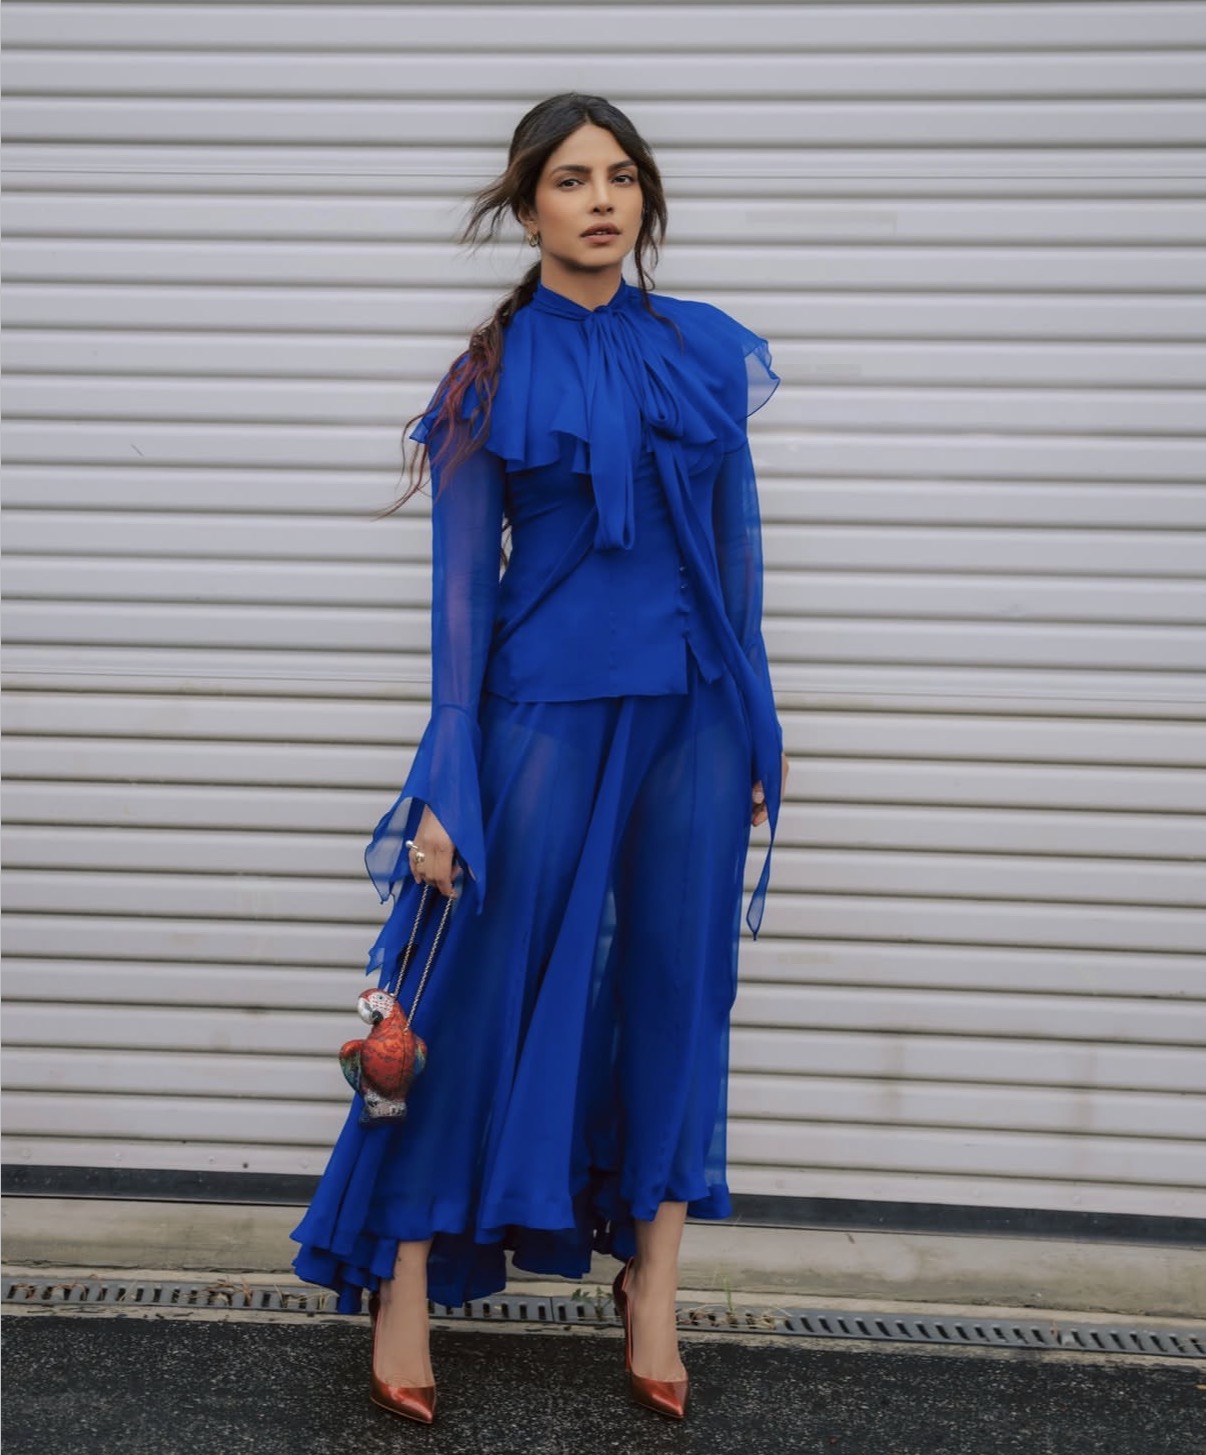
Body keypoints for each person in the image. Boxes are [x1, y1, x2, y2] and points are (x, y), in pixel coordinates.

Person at [290, 91, 788, 1426]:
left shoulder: (699, 351)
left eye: (622, 175)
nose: (602, 198)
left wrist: (754, 722)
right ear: (527, 209)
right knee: (473, 989)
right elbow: (458, 595)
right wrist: (450, 780)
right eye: (571, 179)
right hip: (542, 713)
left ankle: (654, 1287)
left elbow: (736, 561)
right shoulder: (490, 373)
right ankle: (402, 1282)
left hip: (690, 713)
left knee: (682, 992)